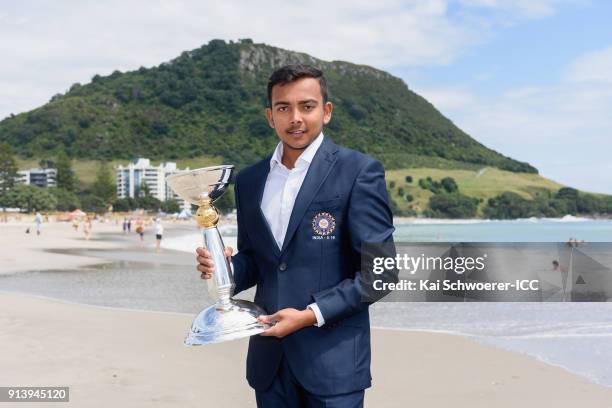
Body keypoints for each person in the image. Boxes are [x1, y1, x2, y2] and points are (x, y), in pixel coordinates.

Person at [196, 64, 396, 407]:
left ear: (326, 111)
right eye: (283, 108)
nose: (295, 118)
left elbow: (380, 274)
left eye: (307, 106)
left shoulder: (359, 172)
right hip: (269, 362)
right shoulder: (250, 180)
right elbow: (257, 262)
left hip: (334, 364)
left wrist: (310, 314)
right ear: (270, 116)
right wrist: (224, 267)